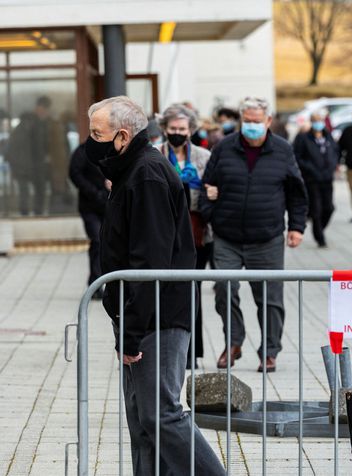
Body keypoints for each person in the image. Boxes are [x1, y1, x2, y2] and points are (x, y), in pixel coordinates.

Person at [86, 96, 224, 475]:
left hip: (156, 317)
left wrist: (131, 331)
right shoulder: (131, 171)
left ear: (122, 136)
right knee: (142, 419)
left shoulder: (145, 174)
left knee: (160, 415)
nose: (90, 141)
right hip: (139, 314)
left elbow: (150, 261)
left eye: (97, 134)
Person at [199, 96, 308, 372]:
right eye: (246, 121)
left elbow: (297, 193)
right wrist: (211, 211)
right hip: (227, 237)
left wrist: (296, 227)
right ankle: (234, 341)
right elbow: (206, 187)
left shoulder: (282, 150)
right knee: (224, 290)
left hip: (267, 238)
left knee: (270, 298)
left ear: (268, 121)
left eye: (256, 122)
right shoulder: (224, 148)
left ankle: (269, 351)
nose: (251, 126)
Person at [158, 104, 213, 369]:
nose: (177, 133)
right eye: (173, 129)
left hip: (196, 233)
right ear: (164, 129)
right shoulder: (156, 154)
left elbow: (214, 189)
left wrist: (206, 192)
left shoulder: (203, 157)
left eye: (182, 129)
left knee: (193, 290)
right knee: (169, 291)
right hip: (165, 233)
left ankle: (193, 351)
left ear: (191, 130)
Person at [68, 143, 109, 299]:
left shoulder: (114, 147)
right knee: (97, 241)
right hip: (90, 206)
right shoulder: (84, 150)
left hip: (109, 205)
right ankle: (95, 284)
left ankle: (105, 282)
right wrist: (94, 192)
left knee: (107, 244)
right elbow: (74, 173)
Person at [293, 109, 339, 248]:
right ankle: (320, 237)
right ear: (311, 122)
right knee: (316, 209)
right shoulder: (303, 138)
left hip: (327, 178)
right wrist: (311, 169)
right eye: (315, 120)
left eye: (320, 120)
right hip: (312, 180)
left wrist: (332, 166)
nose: (318, 123)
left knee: (329, 208)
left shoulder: (328, 136)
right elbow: (298, 157)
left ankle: (319, 229)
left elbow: (335, 152)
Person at [6, 96, 52, 216]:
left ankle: (32, 213)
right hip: (29, 165)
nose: (45, 112)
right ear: (39, 108)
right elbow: (25, 147)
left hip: (31, 164)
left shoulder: (34, 123)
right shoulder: (31, 123)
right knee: (29, 191)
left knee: (33, 190)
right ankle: (29, 213)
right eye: (44, 109)